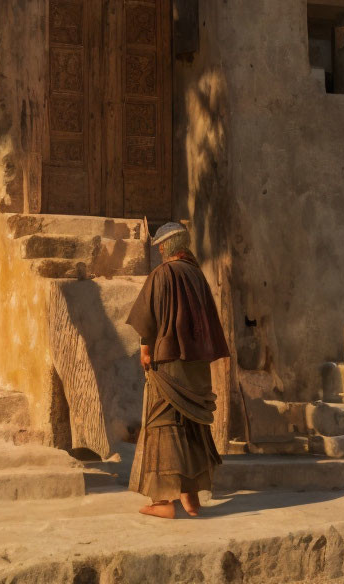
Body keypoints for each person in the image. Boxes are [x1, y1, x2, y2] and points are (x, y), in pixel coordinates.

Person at [126, 222, 230, 519]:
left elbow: (150, 320)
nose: (158, 250)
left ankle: (163, 502)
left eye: (160, 245)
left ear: (167, 246)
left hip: (169, 363)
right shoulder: (197, 275)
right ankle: (191, 498)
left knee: (163, 425)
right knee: (192, 425)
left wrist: (146, 351)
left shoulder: (163, 274)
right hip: (196, 367)